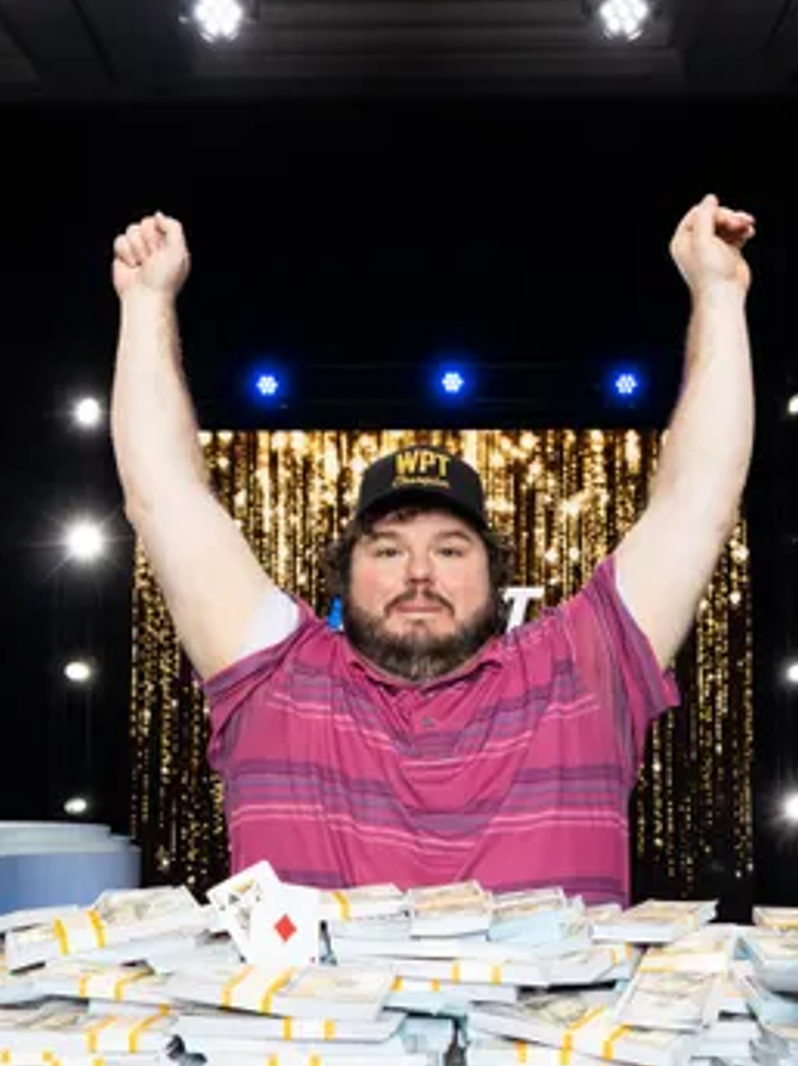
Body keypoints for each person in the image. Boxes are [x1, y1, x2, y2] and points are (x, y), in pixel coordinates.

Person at [106, 196, 756, 901]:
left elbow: (698, 501)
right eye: (387, 550)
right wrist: (146, 302)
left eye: (450, 550)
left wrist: (718, 292)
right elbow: (164, 498)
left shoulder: (581, 670)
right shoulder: (278, 678)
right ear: (343, 574)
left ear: (495, 575)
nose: (419, 572)